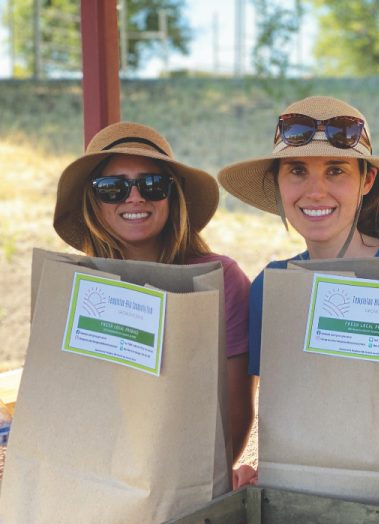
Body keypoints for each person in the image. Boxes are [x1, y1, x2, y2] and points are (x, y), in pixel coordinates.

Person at [53, 121, 256, 464]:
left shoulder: (222, 280)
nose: (135, 196)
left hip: (188, 482)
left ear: (173, 195)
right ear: (94, 200)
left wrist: (203, 487)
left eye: (152, 184)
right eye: (112, 187)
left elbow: (236, 412)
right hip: (90, 473)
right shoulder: (73, 286)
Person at [218, 95, 379, 377]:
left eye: (336, 170)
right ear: (277, 183)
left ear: (367, 180)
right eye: (297, 170)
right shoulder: (270, 287)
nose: (316, 191)